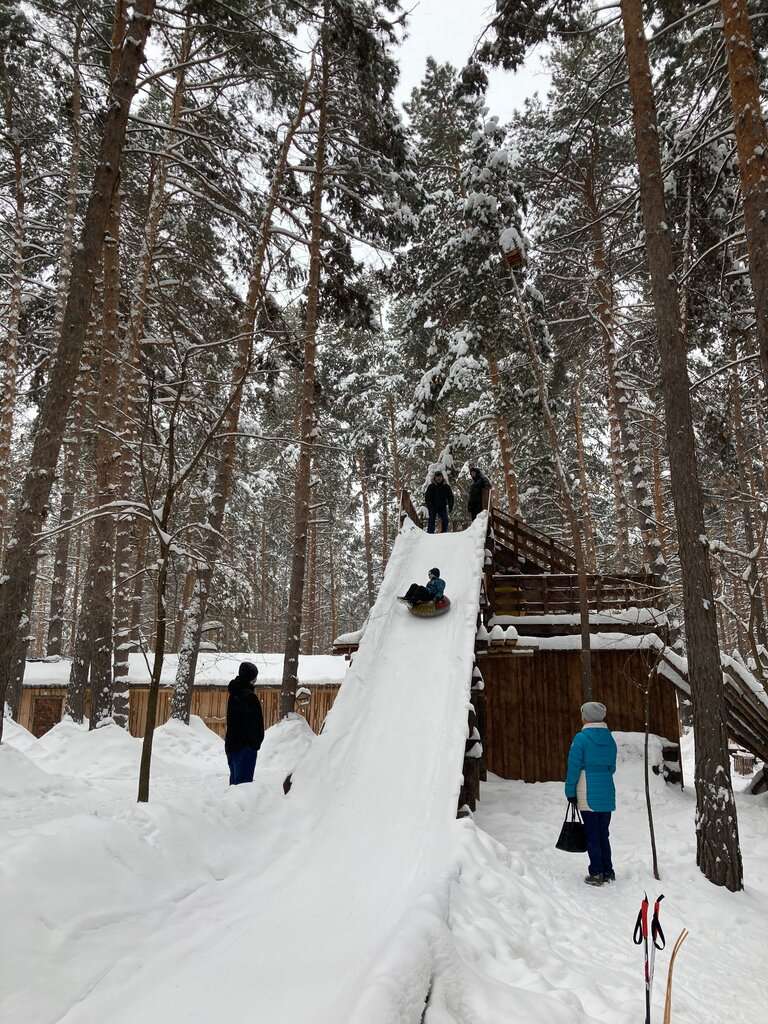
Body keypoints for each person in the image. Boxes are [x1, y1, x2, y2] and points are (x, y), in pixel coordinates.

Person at [564, 701, 618, 886]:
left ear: (586, 717)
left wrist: (570, 791)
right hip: (607, 791)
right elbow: (612, 767)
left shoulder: (581, 739)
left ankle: (596, 872)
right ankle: (608, 870)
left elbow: (573, 768)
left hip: (587, 790)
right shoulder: (609, 738)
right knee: (603, 833)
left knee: (592, 834)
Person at [225, 661, 265, 785]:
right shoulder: (249, 697)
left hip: (232, 745)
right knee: (243, 788)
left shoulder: (233, 694)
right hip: (245, 748)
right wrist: (255, 743)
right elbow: (256, 724)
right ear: (251, 678)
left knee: (234, 786)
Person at [424, 469, 454, 534]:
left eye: (440, 477)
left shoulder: (446, 486)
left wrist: (450, 505)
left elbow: (450, 497)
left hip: (442, 506)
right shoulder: (431, 486)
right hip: (433, 506)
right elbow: (427, 497)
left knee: (445, 520)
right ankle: (430, 534)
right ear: (435, 478)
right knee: (431, 520)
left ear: (442, 477)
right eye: (437, 477)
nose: (438, 478)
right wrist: (429, 505)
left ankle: (443, 533)